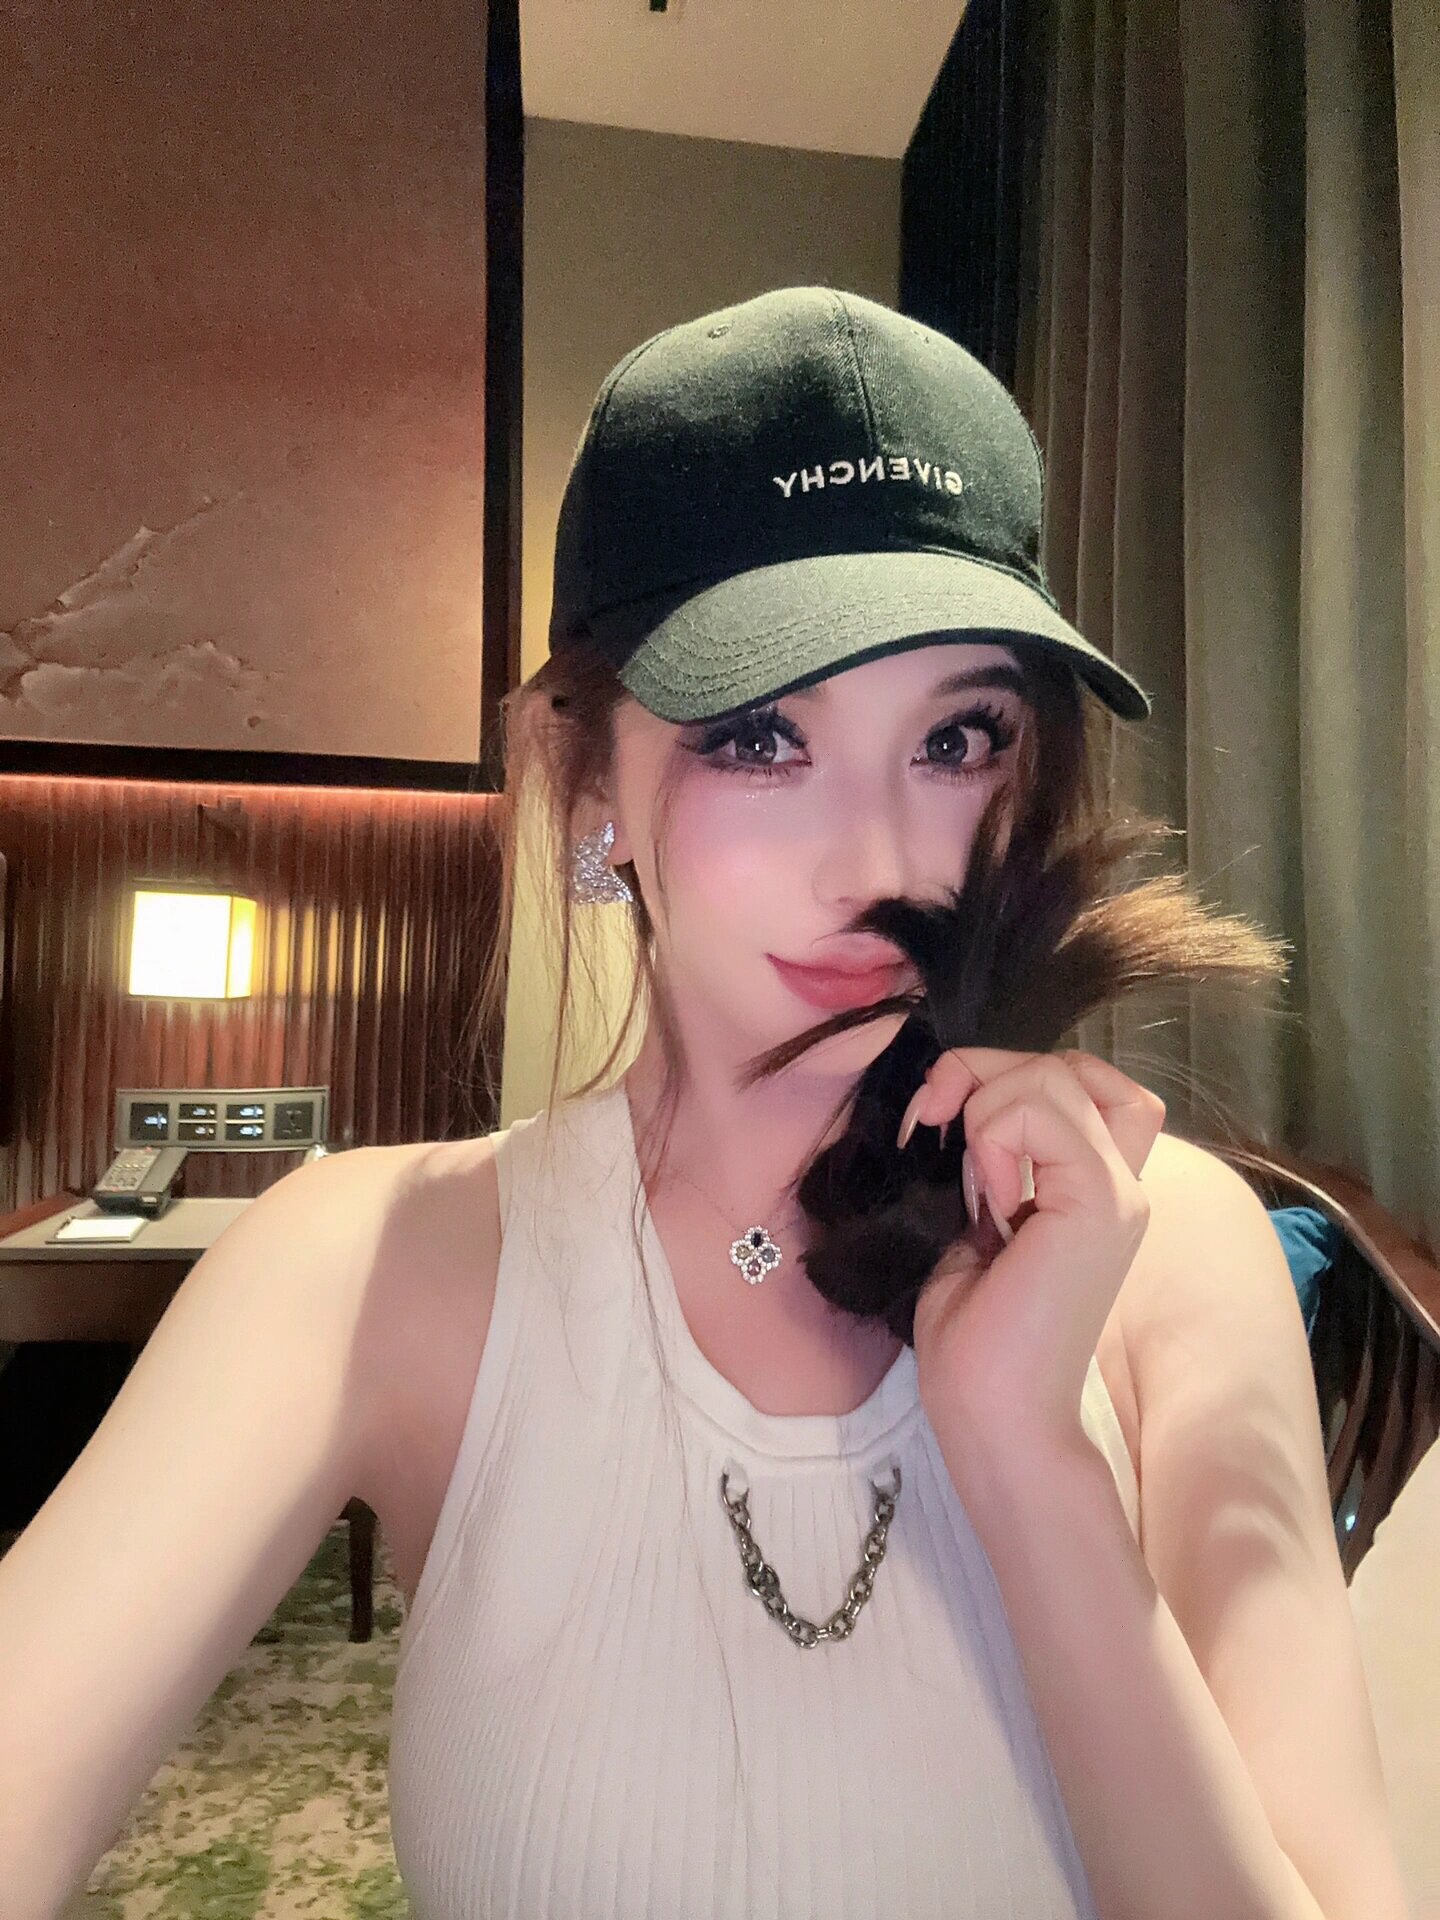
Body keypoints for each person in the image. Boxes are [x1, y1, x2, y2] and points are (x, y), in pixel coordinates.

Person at [0, 287, 1409, 1920]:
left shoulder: (1174, 1256)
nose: (881, 860)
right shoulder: (369, 1269)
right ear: (585, 784)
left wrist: (1034, 1467)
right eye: (760, 738)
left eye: (957, 737)